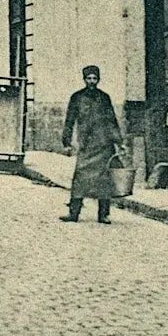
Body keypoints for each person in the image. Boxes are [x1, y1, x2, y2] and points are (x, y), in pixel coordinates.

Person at [60, 64, 124, 224]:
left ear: (98, 79)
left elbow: (112, 121)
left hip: (104, 145)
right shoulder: (77, 97)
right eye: (89, 78)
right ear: (84, 79)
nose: (92, 82)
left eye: (95, 78)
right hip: (86, 145)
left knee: (104, 180)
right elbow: (69, 120)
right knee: (80, 177)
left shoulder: (104, 98)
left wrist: (119, 141)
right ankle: (74, 213)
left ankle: (103, 215)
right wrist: (66, 142)